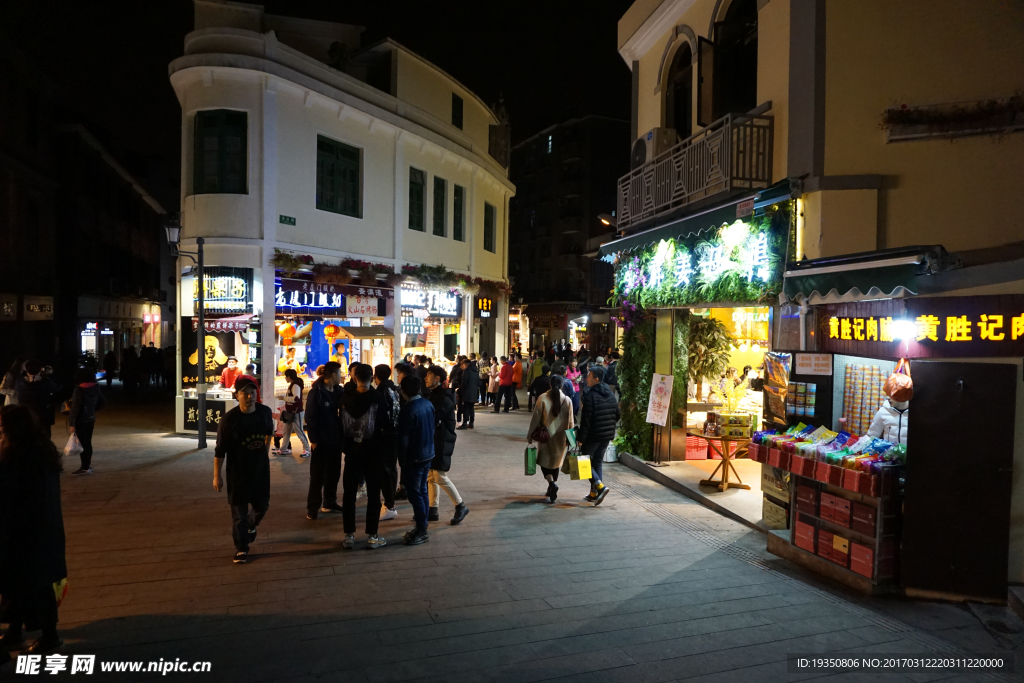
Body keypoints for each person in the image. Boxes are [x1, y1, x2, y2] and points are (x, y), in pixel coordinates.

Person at [0, 405, 67, 654]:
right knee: (18, 584)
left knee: (31, 584)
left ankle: (50, 635)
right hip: (41, 530)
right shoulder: (39, 450)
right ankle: (15, 631)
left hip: (25, 532)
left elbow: (15, 497)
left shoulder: (18, 457)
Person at [212, 378, 274, 564]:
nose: (249, 396)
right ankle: (241, 548)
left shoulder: (264, 412)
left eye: (253, 392)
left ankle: (251, 525)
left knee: (261, 506)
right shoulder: (229, 420)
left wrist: (265, 451)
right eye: (245, 393)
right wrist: (217, 476)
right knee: (239, 513)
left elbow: (269, 432)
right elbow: (220, 450)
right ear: (237, 395)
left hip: (260, 470)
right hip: (237, 472)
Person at [339, 363, 390, 550]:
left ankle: (349, 535)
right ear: (372, 377)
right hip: (373, 450)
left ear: (354, 377)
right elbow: (384, 422)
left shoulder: (345, 398)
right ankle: (372, 535)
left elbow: (340, 425)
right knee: (374, 493)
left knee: (349, 493)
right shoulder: (378, 398)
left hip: (352, 450)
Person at [426, 367, 469, 525]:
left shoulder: (443, 397)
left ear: (437, 378)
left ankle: (460, 505)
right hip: (436, 439)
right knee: (431, 475)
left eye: (429, 375)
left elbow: (435, 417)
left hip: (442, 440)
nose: (426, 378)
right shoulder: (436, 394)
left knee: (439, 475)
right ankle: (433, 509)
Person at [397, 375, 434, 545]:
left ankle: (422, 529)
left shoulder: (408, 409)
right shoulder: (428, 404)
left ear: (404, 391)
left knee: (416, 494)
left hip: (414, 456)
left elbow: (404, 439)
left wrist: (402, 459)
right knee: (422, 490)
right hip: (428, 453)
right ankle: (422, 526)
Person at [526, 375, 575, 503]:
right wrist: (572, 440)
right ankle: (552, 485)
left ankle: (551, 483)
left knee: (544, 463)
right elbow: (571, 422)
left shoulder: (542, 398)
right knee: (555, 463)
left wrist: (530, 434)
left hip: (546, 437)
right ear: (562, 386)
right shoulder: (568, 400)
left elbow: (535, 419)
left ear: (550, 385)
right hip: (561, 438)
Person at [304, 361, 343, 520]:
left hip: (336, 439)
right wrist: (313, 439)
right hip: (320, 440)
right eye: (340, 374)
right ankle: (313, 507)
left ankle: (330, 501)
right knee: (317, 475)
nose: (342, 377)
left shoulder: (338, 391)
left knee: (334, 472)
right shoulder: (317, 392)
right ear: (333, 375)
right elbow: (310, 417)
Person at [578, 365, 620, 505]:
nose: (586, 378)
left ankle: (600, 487)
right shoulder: (610, 394)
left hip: (593, 435)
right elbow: (617, 414)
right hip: (606, 435)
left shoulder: (590, 396)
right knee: (597, 463)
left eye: (589, 376)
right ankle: (594, 493)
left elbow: (586, 420)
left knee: (583, 461)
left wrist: (581, 439)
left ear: (596, 379)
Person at [373, 364, 400, 522]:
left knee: (385, 469)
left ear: (376, 376)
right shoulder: (395, 389)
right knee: (392, 468)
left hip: (384, 434)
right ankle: (390, 501)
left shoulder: (380, 392)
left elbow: (379, 416)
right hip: (395, 433)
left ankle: (389, 504)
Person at [67, 369, 106, 475]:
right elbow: (102, 402)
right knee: (87, 442)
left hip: (80, 420)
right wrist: (92, 410)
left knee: (83, 443)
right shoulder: (95, 387)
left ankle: (85, 467)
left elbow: (75, 407)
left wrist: (71, 422)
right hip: (90, 418)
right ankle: (87, 465)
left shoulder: (79, 389)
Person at [15, 361, 58, 440]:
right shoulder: (46, 383)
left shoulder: (20, 383)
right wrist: (50, 374)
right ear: (40, 369)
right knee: (44, 437)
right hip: (42, 414)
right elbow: (57, 387)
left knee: (27, 437)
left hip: (25, 413)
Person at [277, 369, 310, 457]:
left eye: (286, 376)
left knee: (299, 431)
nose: (285, 378)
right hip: (291, 412)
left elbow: (296, 399)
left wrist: (284, 398)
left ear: (289, 377)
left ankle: (307, 449)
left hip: (296, 412)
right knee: (286, 432)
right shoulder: (294, 385)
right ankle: (283, 449)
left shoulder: (295, 385)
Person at [456, 357, 479, 430]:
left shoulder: (466, 370)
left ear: (465, 364)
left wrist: (460, 390)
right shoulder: (475, 371)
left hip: (467, 392)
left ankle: (465, 423)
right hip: (474, 392)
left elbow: (464, 382)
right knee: (471, 408)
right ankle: (471, 423)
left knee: (465, 408)